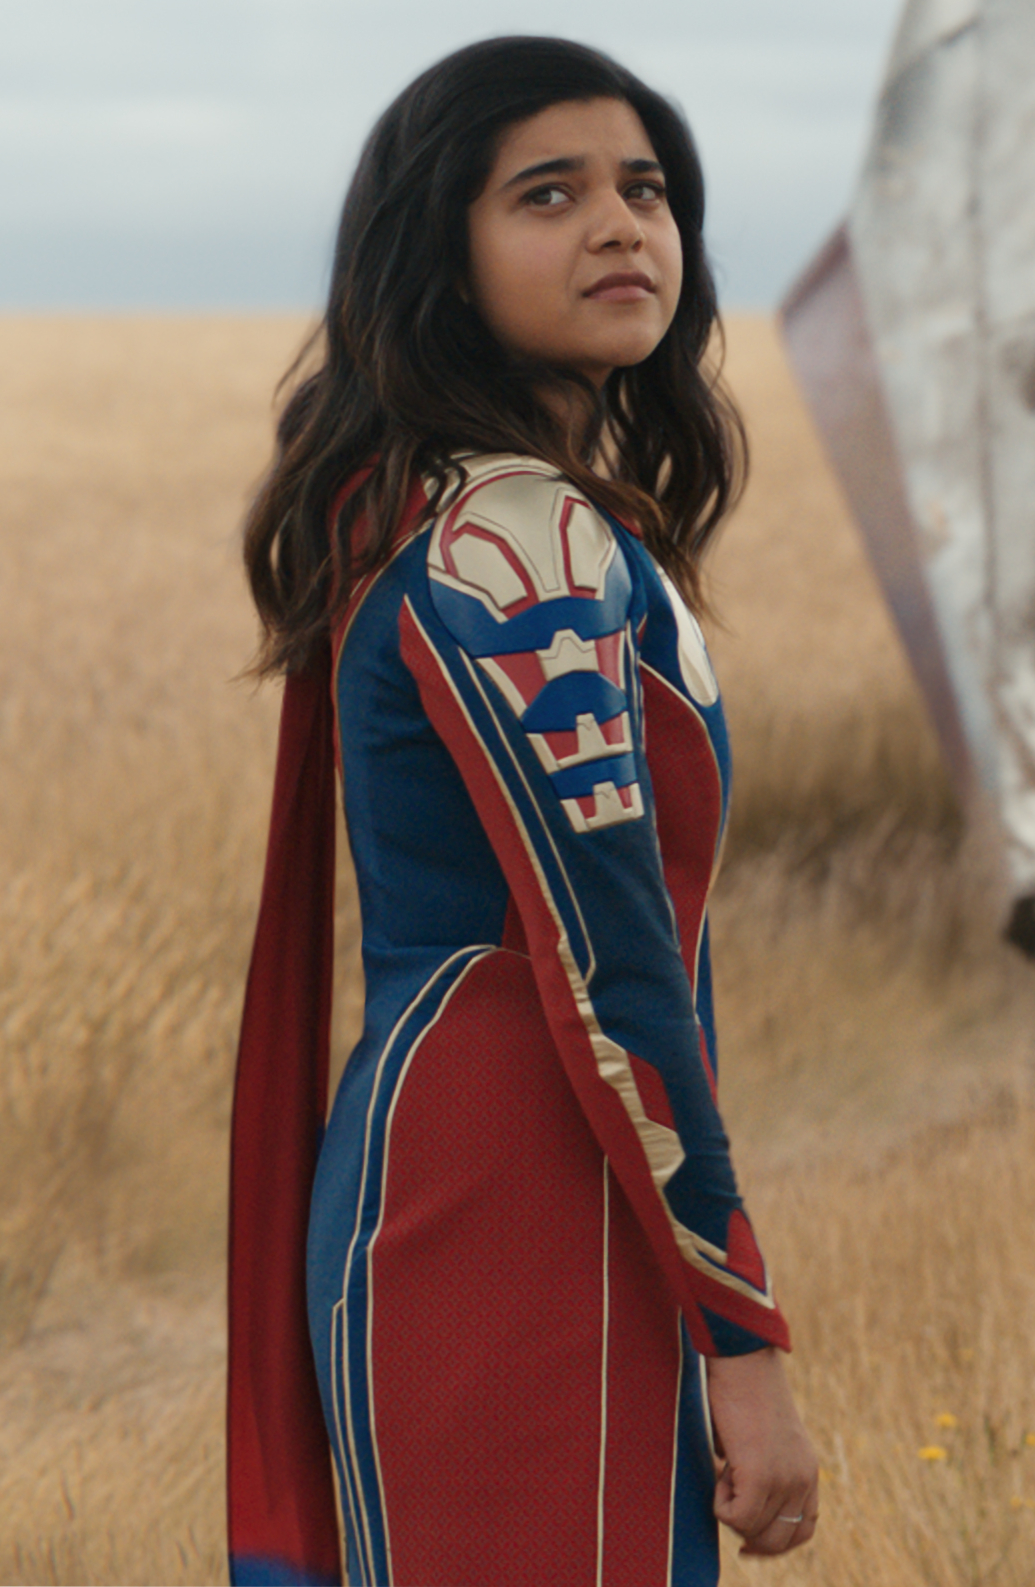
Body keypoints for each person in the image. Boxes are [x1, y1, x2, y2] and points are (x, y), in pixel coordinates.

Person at [228, 35, 818, 1587]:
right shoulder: (521, 542)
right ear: (444, 249)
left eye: (644, 188)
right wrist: (743, 1335)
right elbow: (612, 960)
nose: (622, 227)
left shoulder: (448, 506)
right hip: (513, 1185)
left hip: (512, 1151)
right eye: (548, 196)